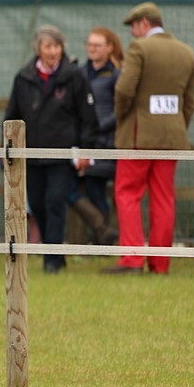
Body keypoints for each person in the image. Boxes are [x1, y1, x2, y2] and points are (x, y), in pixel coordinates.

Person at [102, 2, 194, 275]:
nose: (133, 32)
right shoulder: (187, 52)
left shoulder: (140, 48)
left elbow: (124, 90)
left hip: (137, 136)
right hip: (172, 137)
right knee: (164, 198)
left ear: (144, 23)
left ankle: (132, 260)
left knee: (128, 194)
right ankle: (160, 263)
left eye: (134, 26)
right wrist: (178, 127)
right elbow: (188, 103)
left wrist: (122, 118)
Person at [3, 25, 98, 274]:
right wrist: (8, 151)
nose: (53, 51)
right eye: (48, 46)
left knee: (54, 202)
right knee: (38, 204)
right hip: (32, 155)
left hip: (61, 155)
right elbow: (12, 116)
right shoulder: (23, 78)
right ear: (39, 48)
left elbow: (87, 117)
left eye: (57, 46)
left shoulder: (74, 76)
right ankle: (53, 253)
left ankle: (52, 261)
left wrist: (86, 150)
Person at [71, 27, 123, 244]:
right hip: (85, 143)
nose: (92, 49)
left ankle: (104, 239)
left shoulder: (117, 75)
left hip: (108, 143)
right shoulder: (80, 73)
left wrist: (98, 126)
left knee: (97, 188)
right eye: (89, 44)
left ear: (110, 47)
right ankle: (103, 234)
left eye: (97, 45)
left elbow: (121, 110)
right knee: (73, 189)